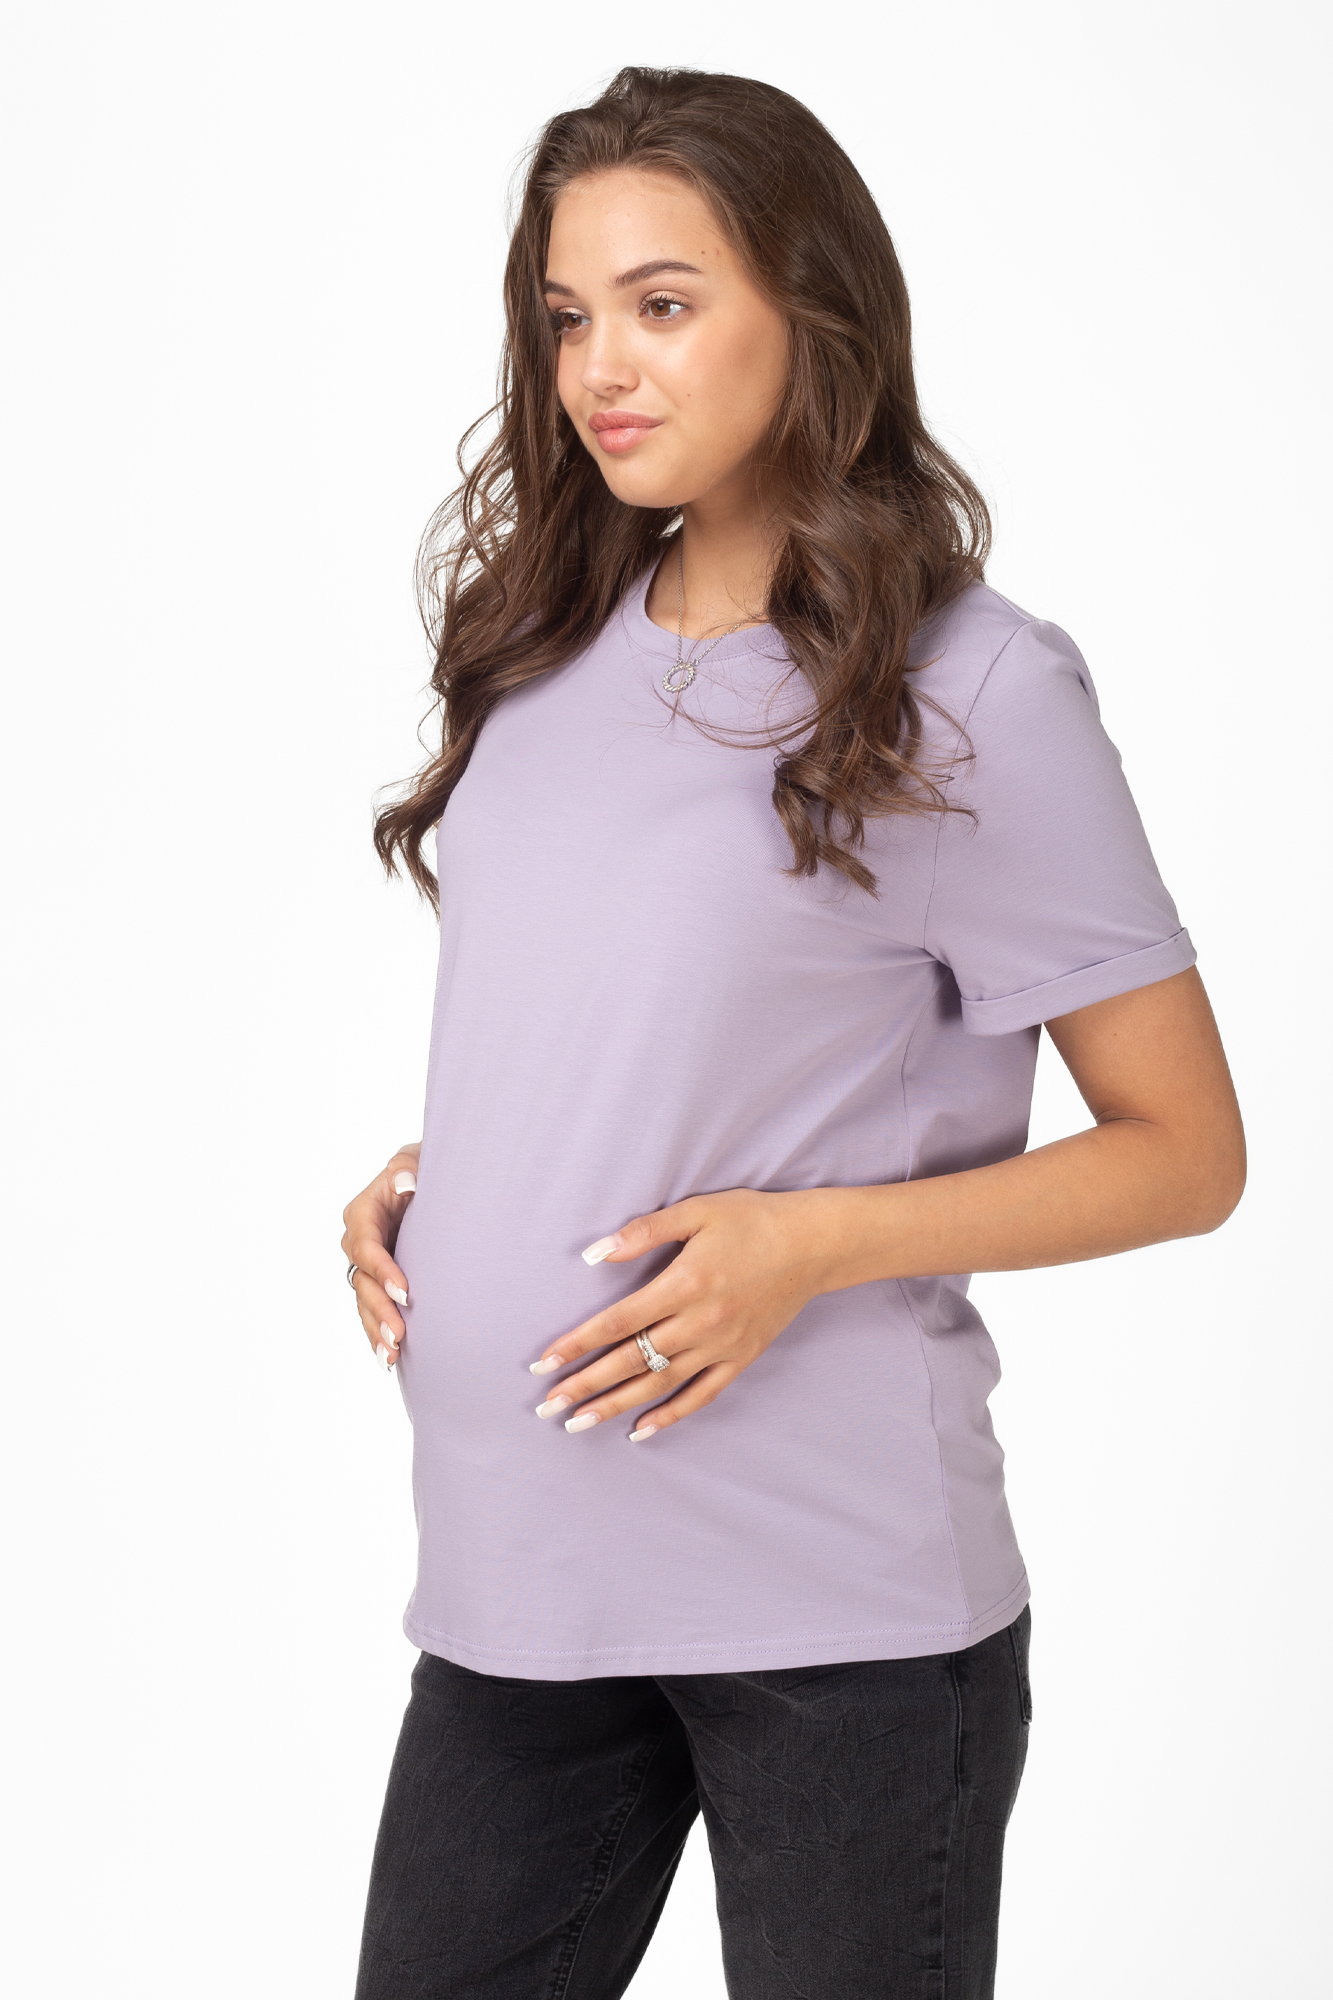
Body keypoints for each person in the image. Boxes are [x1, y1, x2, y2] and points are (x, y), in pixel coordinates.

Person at [340, 66, 1244, 2000]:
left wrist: (808, 1243)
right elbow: (613, 1019)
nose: (601, 368)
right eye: (566, 316)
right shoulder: (541, 648)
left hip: (836, 1608)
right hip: (519, 1582)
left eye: (662, 304)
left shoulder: (972, 686)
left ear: (810, 312)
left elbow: (1185, 1153)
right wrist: (454, 1183)